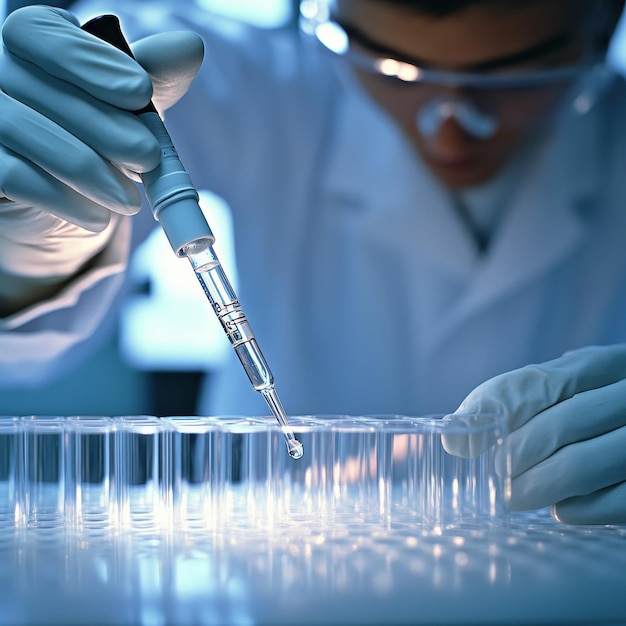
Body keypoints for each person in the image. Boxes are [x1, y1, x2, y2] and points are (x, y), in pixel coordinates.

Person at [1, 0, 625, 524]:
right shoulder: (255, 80)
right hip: (267, 578)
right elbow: (25, 358)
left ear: (608, 23)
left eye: (513, 77)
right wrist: (27, 250)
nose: (449, 129)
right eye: (391, 69)